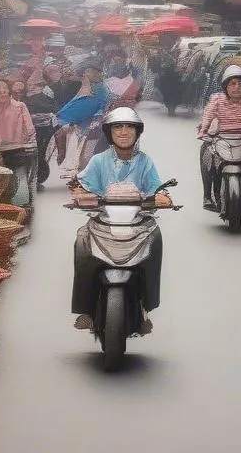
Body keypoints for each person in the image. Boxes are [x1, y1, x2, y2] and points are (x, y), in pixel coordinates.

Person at [69, 107, 171, 332]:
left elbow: (157, 188)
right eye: (118, 127)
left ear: (137, 132)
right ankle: (85, 310)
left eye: (129, 127)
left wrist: (163, 197)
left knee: (156, 239)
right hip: (102, 221)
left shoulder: (145, 162)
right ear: (109, 133)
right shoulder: (97, 161)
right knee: (81, 242)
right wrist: (79, 194)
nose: (124, 132)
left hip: (139, 222)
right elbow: (81, 185)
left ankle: (146, 306)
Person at [197, 65, 241, 211]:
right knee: (206, 155)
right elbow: (208, 115)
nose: (236, 87)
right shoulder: (217, 100)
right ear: (225, 86)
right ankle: (207, 196)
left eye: (240, 84)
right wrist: (204, 129)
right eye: (232, 84)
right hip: (222, 139)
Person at [55, 63, 110, 180]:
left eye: (88, 72)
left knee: (87, 151)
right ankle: (80, 173)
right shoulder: (88, 86)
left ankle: (86, 175)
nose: (86, 75)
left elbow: (90, 106)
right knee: (80, 148)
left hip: (92, 124)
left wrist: (66, 116)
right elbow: (77, 103)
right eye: (85, 72)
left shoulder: (100, 88)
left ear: (97, 74)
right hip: (82, 124)